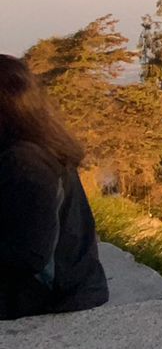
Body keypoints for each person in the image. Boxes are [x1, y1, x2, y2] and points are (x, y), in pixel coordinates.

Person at [0, 55, 109, 319]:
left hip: (55, 295)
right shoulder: (39, 145)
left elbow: (31, 255)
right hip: (70, 284)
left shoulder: (26, 160)